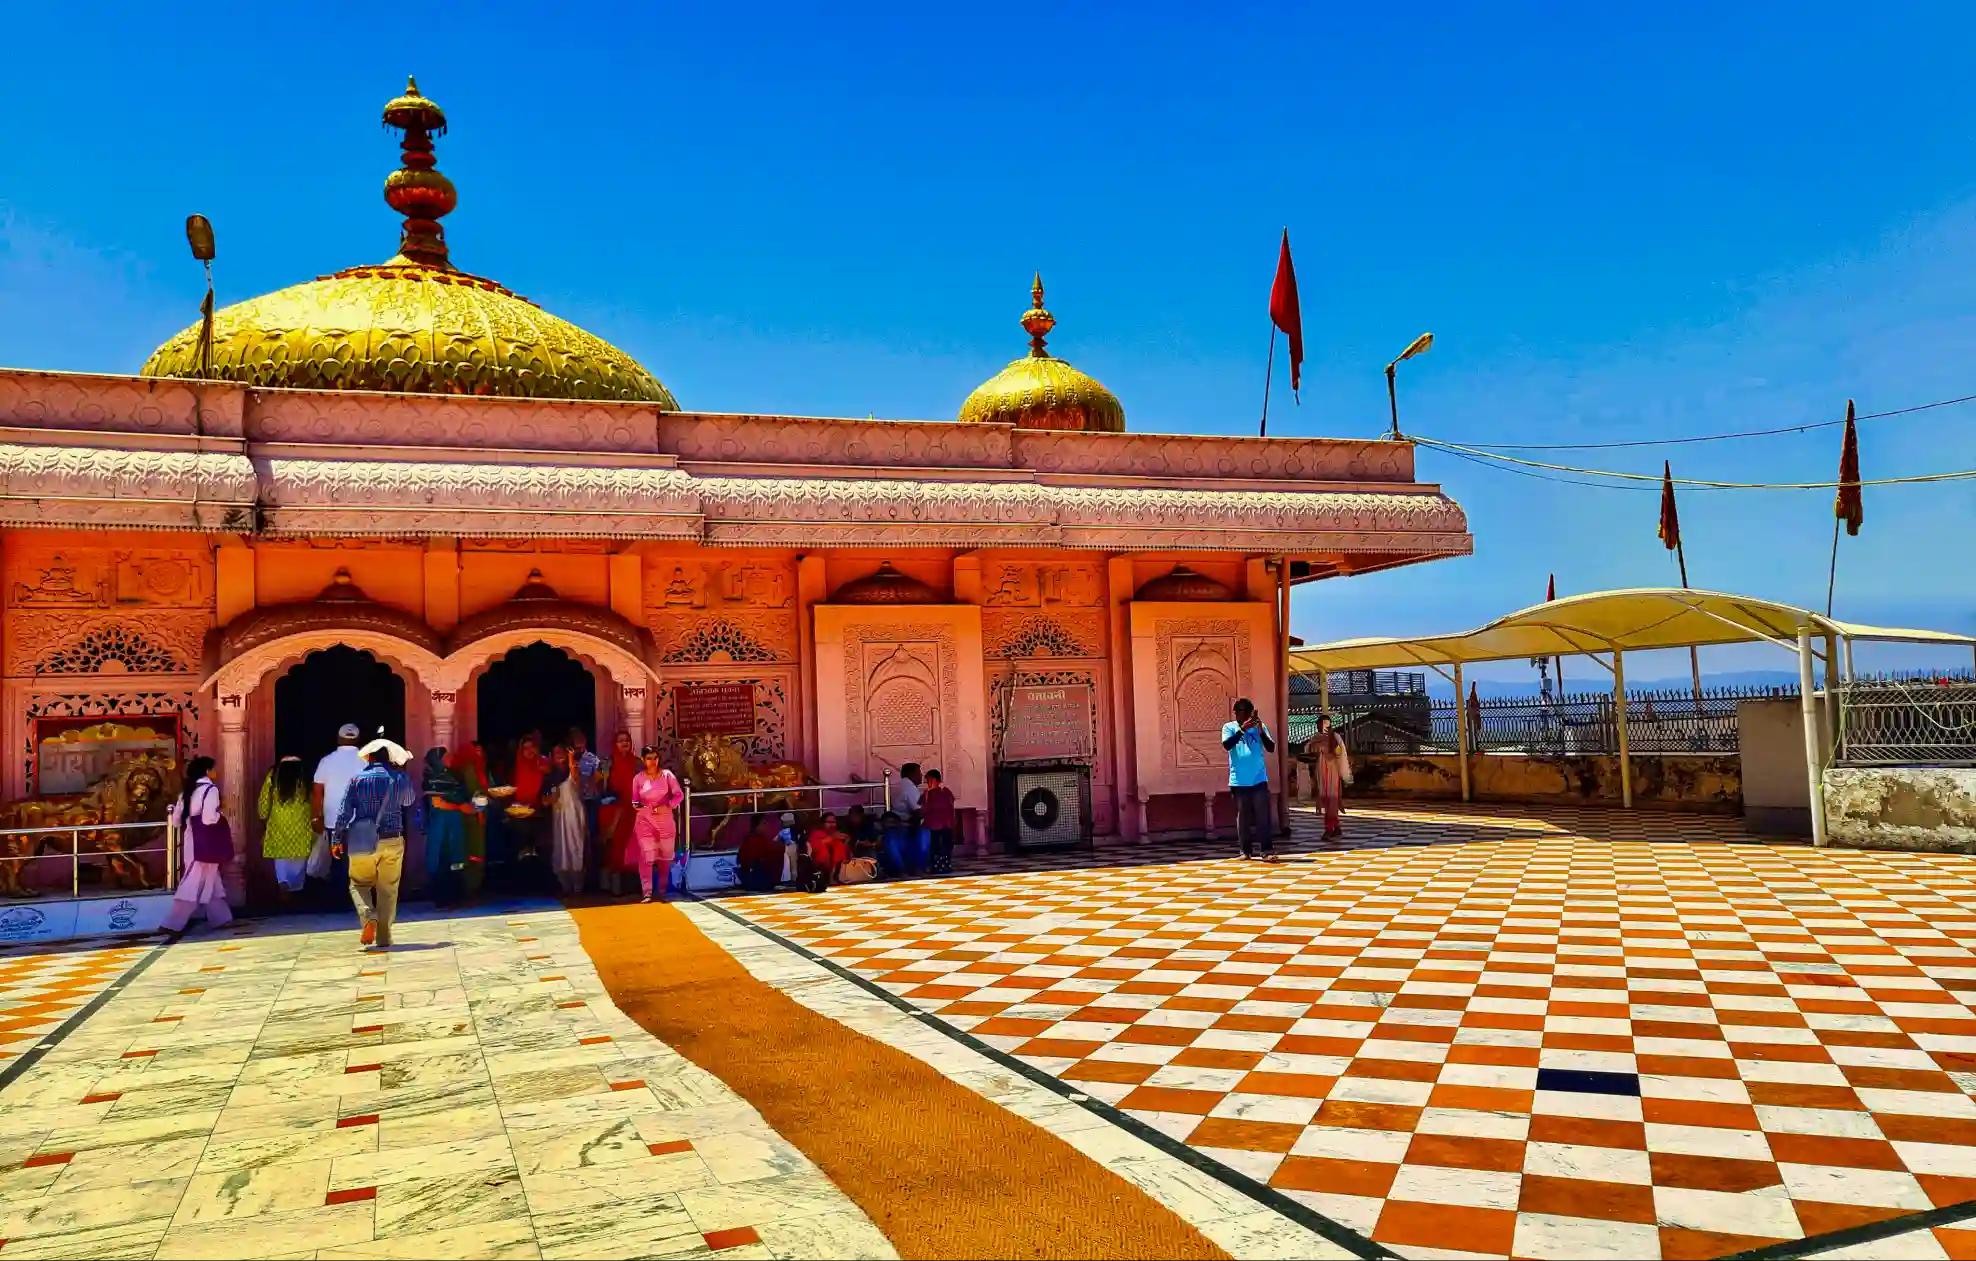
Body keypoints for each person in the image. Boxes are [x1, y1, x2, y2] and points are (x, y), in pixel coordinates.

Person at [335, 740, 417, 948]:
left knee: (358, 883)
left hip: (363, 841)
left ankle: (368, 915)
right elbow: (408, 801)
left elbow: (344, 811)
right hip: (393, 839)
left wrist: (336, 839)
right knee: (388, 890)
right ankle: (383, 937)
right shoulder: (399, 777)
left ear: (369, 757)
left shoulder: (357, 779)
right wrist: (401, 772)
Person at [163, 756, 233, 934]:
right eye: (213, 768)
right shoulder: (211, 790)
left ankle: (221, 918)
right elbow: (209, 818)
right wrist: (220, 814)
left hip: (191, 842)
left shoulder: (187, 791)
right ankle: (172, 923)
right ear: (207, 771)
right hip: (207, 842)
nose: (216, 772)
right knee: (193, 881)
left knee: (211, 880)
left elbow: (176, 821)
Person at [1222, 697, 1278, 861]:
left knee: (1263, 816)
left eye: (1248, 711)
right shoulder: (1229, 727)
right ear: (1235, 713)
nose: (1244, 714)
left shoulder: (1260, 727)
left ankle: (1266, 851)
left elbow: (1271, 747)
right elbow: (1227, 745)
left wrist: (1260, 729)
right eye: (1241, 711)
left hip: (1259, 779)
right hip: (1239, 781)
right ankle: (1245, 851)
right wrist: (1242, 730)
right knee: (1243, 817)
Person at [311, 723, 367, 888]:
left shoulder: (326, 761)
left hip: (334, 821)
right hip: (360, 821)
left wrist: (316, 817)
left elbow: (317, 791)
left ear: (338, 739)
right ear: (358, 739)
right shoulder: (366, 762)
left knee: (337, 860)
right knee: (358, 861)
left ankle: (338, 895)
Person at [628, 746, 684, 902]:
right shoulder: (638, 778)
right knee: (646, 856)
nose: (652, 762)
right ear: (643, 760)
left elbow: (679, 795)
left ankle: (662, 890)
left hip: (665, 821)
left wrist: (667, 805)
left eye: (655, 758)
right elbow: (634, 800)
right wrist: (640, 806)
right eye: (649, 758)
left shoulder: (667, 775)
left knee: (664, 858)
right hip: (645, 821)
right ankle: (647, 892)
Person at [422, 747, 474, 906]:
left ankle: (456, 896)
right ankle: (442, 898)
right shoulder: (431, 779)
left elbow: (460, 796)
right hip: (439, 825)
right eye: (446, 757)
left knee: (456, 858)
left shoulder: (453, 777)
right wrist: (461, 807)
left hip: (454, 825)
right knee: (440, 859)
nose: (450, 759)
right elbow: (438, 803)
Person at [257, 756, 314, 897]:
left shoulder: (273, 776)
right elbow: (313, 799)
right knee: (300, 857)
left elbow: (264, 799)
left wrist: (263, 816)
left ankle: (282, 882)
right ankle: (295, 889)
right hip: (301, 822)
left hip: (278, 822)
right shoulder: (304, 776)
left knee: (280, 857)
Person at [596, 730, 638, 896]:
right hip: (612, 810)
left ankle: (626, 884)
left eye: (626, 740)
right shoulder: (607, 763)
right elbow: (596, 785)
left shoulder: (637, 763)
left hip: (632, 810)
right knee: (612, 845)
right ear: (615, 744)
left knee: (628, 846)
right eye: (620, 740)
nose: (624, 743)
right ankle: (610, 885)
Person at [546, 744, 586, 896]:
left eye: (561, 751)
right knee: (561, 847)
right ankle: (565, 885)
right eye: (555, 752)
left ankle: (578, 886)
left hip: (574, 814)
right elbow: (547, 799)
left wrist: (571, 759)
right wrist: (549, 799)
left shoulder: (573, 769)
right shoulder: (552, 776)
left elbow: (575, 779)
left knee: (575, 845)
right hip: (559, 815)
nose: (559, 754)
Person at [567, 727, 603, 891]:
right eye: (575, 742)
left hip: (588, 802)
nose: (578, 745)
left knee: (590, 837)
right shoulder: (567, 759)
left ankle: (591, 879)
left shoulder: (592, 759)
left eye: (580, 741)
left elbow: (597, 780)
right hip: (570, 805)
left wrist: (590, 781)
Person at [455, 742, 490, 898]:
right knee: (475, 851)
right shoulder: (470, 769)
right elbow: (476, 792)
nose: (478, 754)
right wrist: (480, 813)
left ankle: (471, 887)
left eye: (480, 751)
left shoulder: (476, 768)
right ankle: (471, 887)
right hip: (473, 817)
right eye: (475, 751)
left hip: (469, 815)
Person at [1310, 714, 1352, 840]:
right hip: (1321, 772)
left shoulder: (1335, 737)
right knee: (1325, 798)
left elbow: (1339, 753)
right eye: (1320, 724)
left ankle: (1329, 829)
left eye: (1325, 723)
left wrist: (1332, 742)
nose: (1322, 726)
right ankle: (1336, 826)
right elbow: (1311, 751)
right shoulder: (1316, 738)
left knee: (1332, 799)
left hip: (1333, 772)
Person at [921, 768, 957, 873]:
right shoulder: (928, 794)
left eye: (928, 781)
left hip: (942, 824)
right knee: (936, 847)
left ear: (934, 780)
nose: (928, 784)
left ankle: (943, 866)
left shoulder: (943, 792)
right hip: (936, 825)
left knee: (944, 846)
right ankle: (938, 866)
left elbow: (950, 806)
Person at [736, 813, 782, 892]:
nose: (766, 826)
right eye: (763, 823)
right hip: (756, 878)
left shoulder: (755, 839)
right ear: (757, 825)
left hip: (756, 878)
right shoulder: (753, 840)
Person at [878, 810, 926, 878]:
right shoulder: (883, 836)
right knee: (890, 836)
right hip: (892, 867)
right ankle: (902, 871)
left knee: (923, 832)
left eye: (893, 822)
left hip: (910, 862)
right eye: (888, 823)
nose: (891, 825)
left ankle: (917, 870)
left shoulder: (905, 834)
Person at [806, 812, 850, 886]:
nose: (832, 825)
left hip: (835, 868)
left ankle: (835, 876)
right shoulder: (816, 833)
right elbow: (815, 847)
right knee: (826, 849)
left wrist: (846, 841)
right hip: (819, 865)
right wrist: (832, 838)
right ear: (822, 824)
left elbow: (845, 852)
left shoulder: (837, 834)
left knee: (839, 845)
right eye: (829, 822)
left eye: (834, 822)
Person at [774, 811, 803, 884]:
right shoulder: (786, 831)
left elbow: (775, 839)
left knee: (790, 864)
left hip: (791, 847)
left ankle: (792, 879)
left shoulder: (789, 831)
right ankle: (791, 879)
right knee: (790, 864)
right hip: (788, 847)